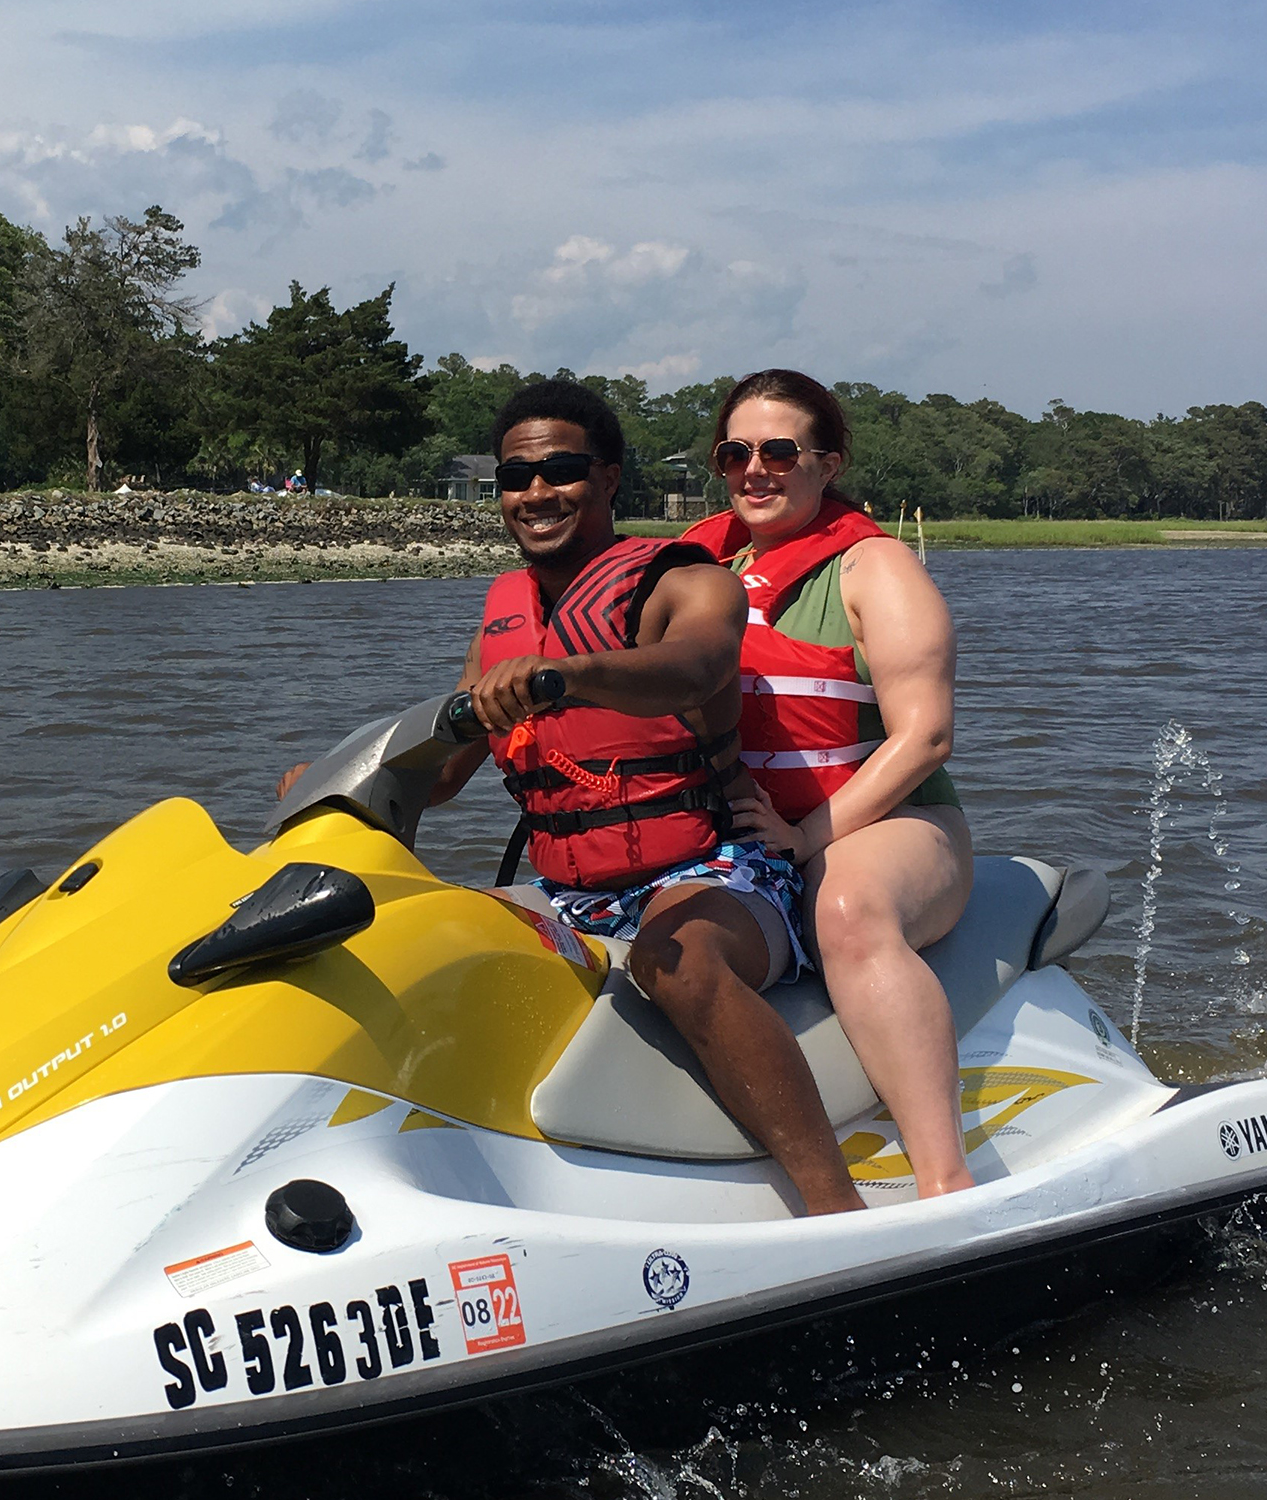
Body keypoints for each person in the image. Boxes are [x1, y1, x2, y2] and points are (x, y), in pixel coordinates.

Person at [284, 379, 867, 1215]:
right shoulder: (501, 617)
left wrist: (571, 677)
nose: (535, 493)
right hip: (570, 891)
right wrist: (336, 784)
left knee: (682, 965)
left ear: (607, 478)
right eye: (515, 478)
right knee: (416, 944)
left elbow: (698, 664)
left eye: (560, 470)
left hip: (715, 869)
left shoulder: (685, 581)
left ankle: (831, 1204)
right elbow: (445, 774)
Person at [681, 369, 975, 1199]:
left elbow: (925, 737)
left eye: (779, 451)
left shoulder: (872, 569)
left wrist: (808, 840)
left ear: (827, 463)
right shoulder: (694, 567)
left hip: (891, 826)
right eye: (733, 452)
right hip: (744, 834)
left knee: (844, 912)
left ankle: (943, 1181)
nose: (753, 470)